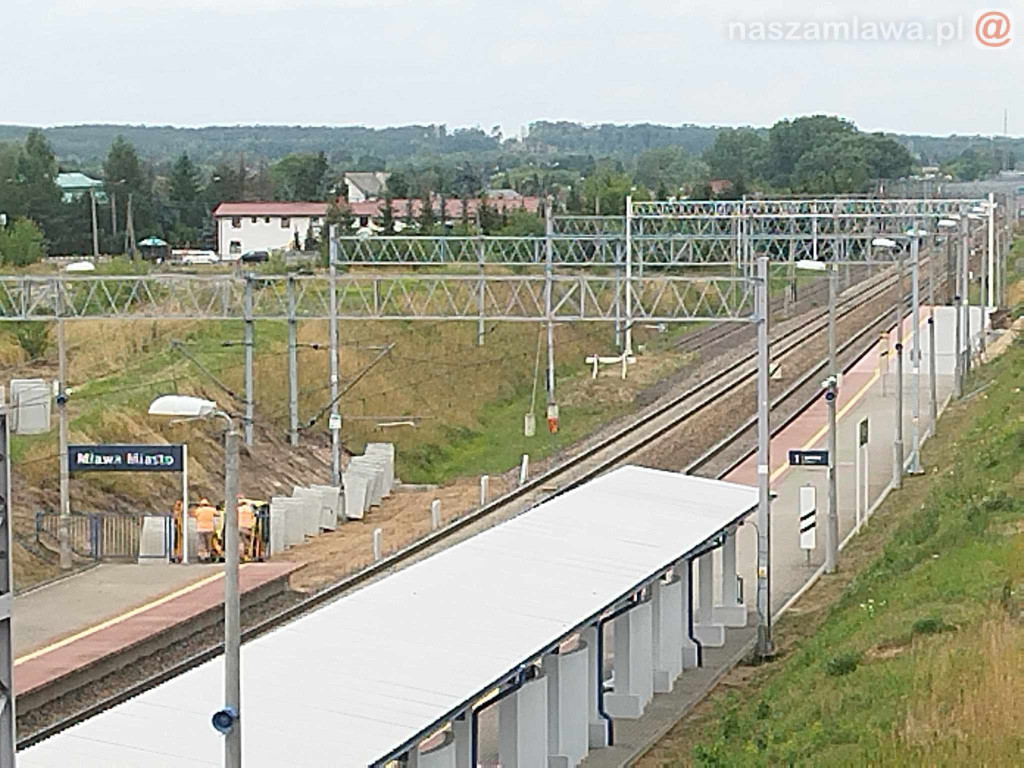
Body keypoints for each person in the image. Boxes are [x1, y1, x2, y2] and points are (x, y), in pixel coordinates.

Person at [237, 494, 254, 559]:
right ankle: (248, 554)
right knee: (247, 541)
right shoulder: (250, 509)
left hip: (239, 526)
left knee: (240, 542)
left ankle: (241, 555)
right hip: (248, 527)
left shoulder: (238, 509)